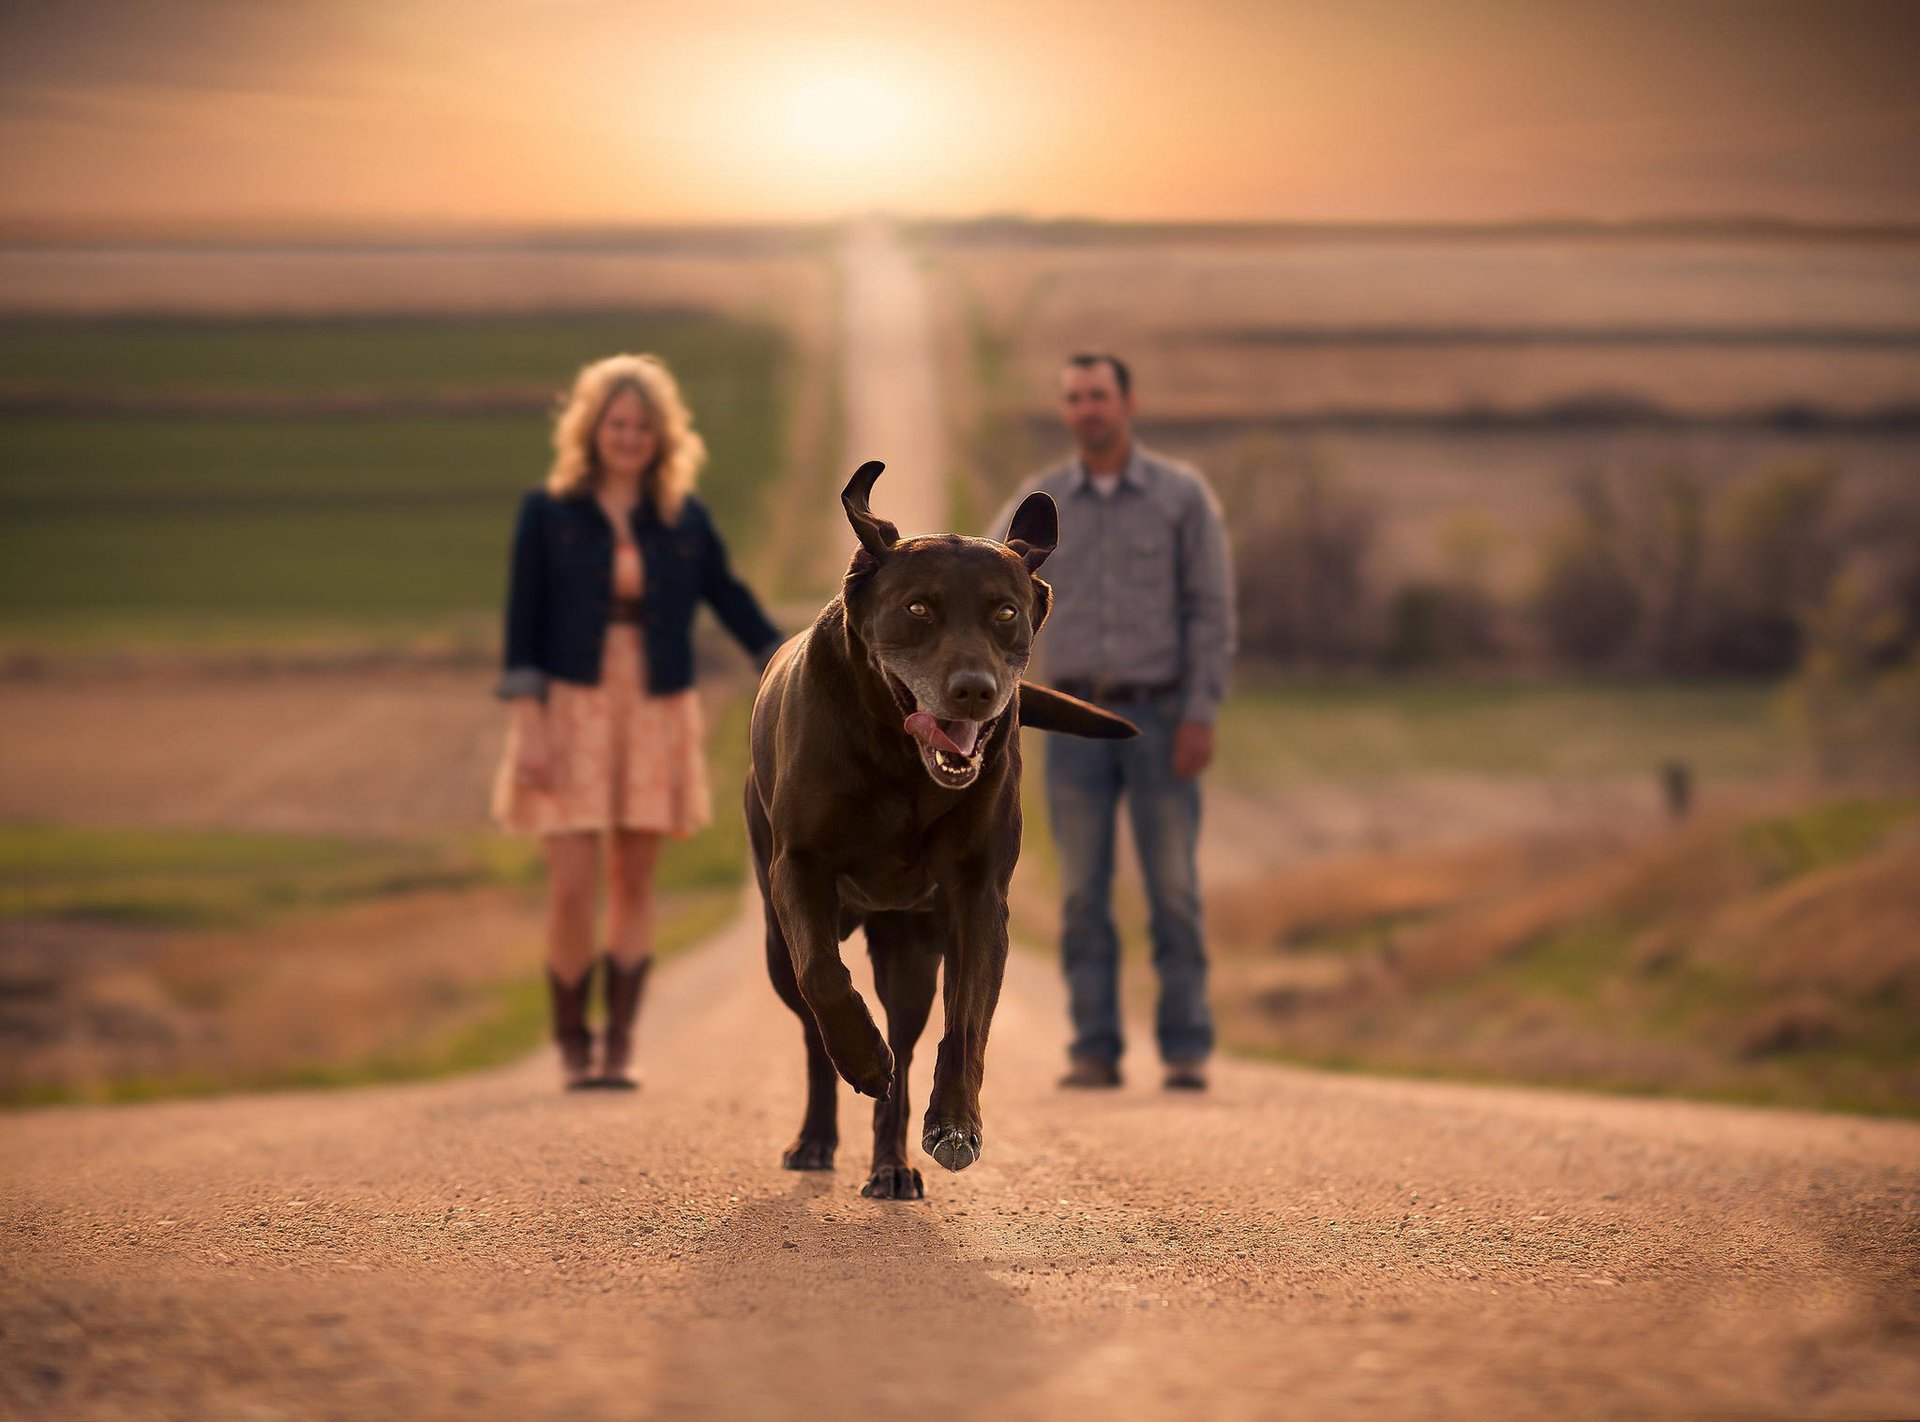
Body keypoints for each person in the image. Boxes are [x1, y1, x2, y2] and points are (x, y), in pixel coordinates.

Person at [493, 353, 781, 1090]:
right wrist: (528, 725)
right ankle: (569, 1042)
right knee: (570, 886)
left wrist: (788, 660)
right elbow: (521, 625)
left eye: (642, 427)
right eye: (617, 424)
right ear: (592, 430)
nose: (629, 438)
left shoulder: (685, 518)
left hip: (656, 707)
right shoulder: (547, 513)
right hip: (569, 708)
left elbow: (732, 598)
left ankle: (618, 1044)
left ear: (661, 437)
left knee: (633, 883)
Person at [990, 353, 1235, 1091]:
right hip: (1073, 719)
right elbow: (983, 593)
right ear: (1066, 410)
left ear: (1128, 401)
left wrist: (1200, 712)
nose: (1087, 409)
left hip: (1160, 715)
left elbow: (1211, 610)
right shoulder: (1036, 505)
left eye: (1099, 395)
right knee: (1080, 893)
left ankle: (1186, 1046)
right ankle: (1095, 1046)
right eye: (1074, 398)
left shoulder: (1180, 497)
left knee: (1172, 887)